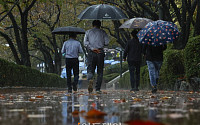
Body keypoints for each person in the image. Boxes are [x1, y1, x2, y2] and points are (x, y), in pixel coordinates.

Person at [84, 20, 109, 93]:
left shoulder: (88, 32)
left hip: (92, 53)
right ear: (100, 25)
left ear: (92, 25)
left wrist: (92, 48)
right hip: (100, 52)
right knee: (100, 71)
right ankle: (98, 89)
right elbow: (107, 42)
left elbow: (85, 43)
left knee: (90, 69)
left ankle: (90, 79)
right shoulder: (103, 32)